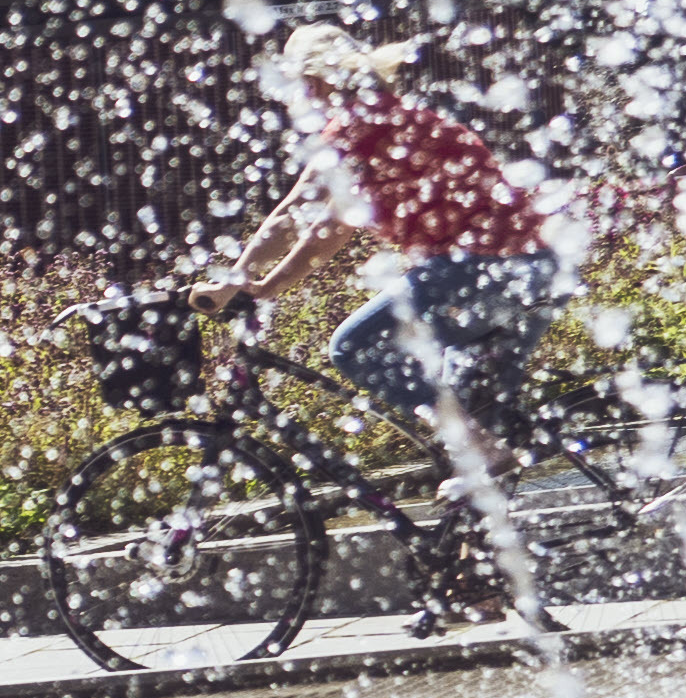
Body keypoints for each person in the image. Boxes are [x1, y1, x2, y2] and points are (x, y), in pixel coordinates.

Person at [231, 23, 560, 434]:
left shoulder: (356, 126)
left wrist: (257, 285)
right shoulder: (397, 115)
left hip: (475, 269)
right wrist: (245, 276)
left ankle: (477, 451)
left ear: (313, 82)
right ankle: (489, 459)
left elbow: (323, 224)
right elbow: (302, 213)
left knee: (354, 348)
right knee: (472, 413)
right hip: (540, 268)